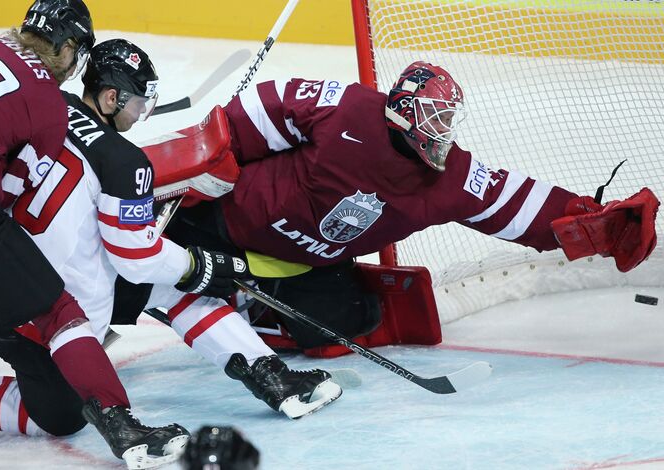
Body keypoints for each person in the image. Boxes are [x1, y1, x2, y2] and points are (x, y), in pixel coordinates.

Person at [0, 38, 340, 468]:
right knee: (60, 416)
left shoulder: (50, 107)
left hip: (5, 282)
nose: (140, 113)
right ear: (110, 97)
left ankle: (268, 374)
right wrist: (199, 264)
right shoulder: (125, 163)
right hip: (58, 315)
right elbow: (135, 254)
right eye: (137, 104)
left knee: (162, 286)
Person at [164, 61, 659, 350]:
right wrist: (194, 170)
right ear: (404, 109)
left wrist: (582, 217)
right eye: (436, 116)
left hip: (296, 264)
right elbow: (247, 120)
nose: (443, 130)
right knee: (135, 269)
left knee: (351, 320)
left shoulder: (449, 178)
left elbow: (512, 201)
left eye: (448, 120)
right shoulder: (344, 108)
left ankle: (244, 304)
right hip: (223, 224)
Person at [0, 2, 196, 468]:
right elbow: (12, 194)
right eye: (78, 56)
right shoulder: (47, 103)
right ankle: (121, 424)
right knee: (60, 315)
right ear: (68, 47)